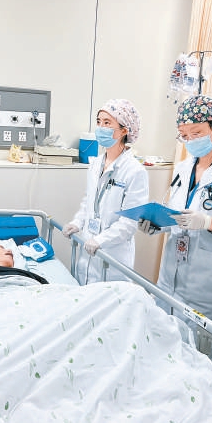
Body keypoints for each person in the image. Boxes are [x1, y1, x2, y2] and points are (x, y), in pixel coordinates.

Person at [139, 95, 212, 365]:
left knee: (204, 363)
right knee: (166, 351)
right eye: (184, 135)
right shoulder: (183, 168)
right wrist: (157, 225)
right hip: (170, 277)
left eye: (196, 133)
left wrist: (210, 223)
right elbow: (177, 215)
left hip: (208, 287)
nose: (190, 140)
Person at [62, 99, 149, 284]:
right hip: (88, 249)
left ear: (124, 130)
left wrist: (101, 240)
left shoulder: (135, 171)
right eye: (99, 121)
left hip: (113, 255)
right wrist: (78, 222)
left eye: (107, 123)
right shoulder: (96, 164)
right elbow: (89, 201)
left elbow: (130, 222)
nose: (101, 127)